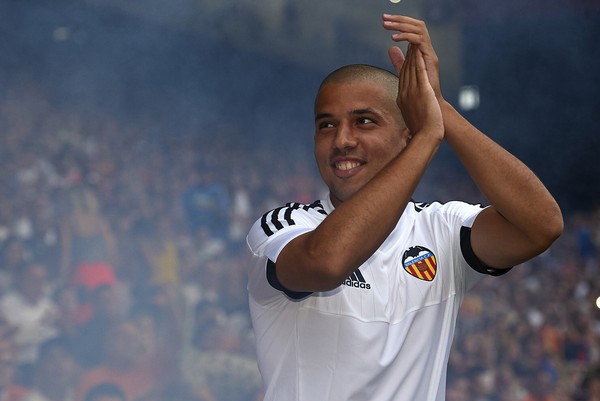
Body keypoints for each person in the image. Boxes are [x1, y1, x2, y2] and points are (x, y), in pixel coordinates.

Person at [245, 14, 563, 401]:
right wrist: (428, 136)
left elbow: (541, 225)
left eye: (364, 121)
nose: (342, 140)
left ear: (404, 137)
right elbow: (326, 263)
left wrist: (440, 110)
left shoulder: (441, 229)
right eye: (326, 125)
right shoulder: (283, 227)